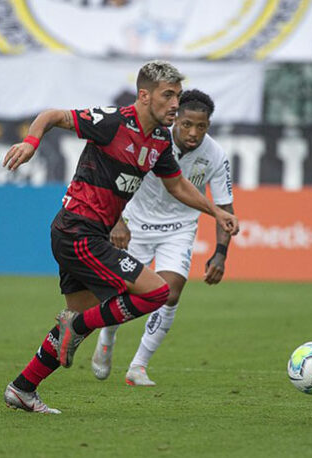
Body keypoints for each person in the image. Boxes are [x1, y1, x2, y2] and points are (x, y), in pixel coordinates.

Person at [1, 61, 239, 414]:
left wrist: (215, 211)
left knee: (77, 316)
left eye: (177, 95)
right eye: (168, 95)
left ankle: (23, 388)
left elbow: (176, 185)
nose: (175, 103)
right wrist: (32, 142)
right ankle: (78, 327)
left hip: (83, 233)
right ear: (145, 96)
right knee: (157, 291)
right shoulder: (113, 122)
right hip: (78, 231)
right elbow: (52, 115)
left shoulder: (159, 139)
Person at [90, 89, 234, 386]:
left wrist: (221, 252)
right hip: (135, 227)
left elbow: (224, 208)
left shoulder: (216, 156)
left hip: (178, 229)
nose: (193, 133)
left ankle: (138, 366)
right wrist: (117, 221)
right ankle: (107, 335)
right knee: (121, 293)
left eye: (201, 126)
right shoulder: (151, 140)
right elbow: (110, 176)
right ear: (175, 118)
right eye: (186, 125)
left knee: (170, 293)